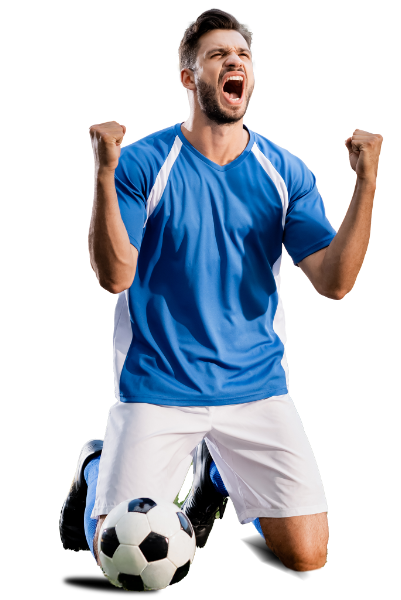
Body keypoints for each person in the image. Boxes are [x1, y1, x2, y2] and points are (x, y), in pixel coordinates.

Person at [60, 8, 383, 577]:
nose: (235, 61)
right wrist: (104, 174)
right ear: (188, 78)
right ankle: (96, 464)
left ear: (252, 79)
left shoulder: (284, 171)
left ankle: (215, 474)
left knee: (308, 557)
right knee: (112, 557)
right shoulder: (144, 164)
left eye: (243, 56)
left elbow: (334, 282)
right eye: (218, 54)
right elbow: (115, 277)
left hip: (256, 389)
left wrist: (366, 183)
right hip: (159, 387)